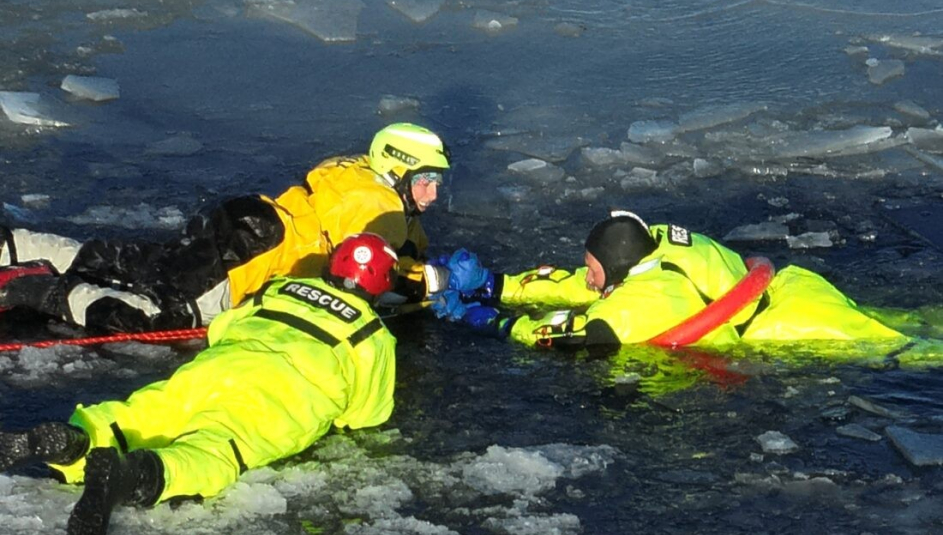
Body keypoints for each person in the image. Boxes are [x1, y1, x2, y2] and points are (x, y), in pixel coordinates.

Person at [0, 233, 401, 535]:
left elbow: (222, 328)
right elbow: (365, 413)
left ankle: (75, 441)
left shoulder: (281, 288)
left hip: (217, 368)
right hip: (275, 401)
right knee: (213, 453)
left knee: (145, 413)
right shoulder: (371, 334)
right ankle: (133, 475)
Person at [0, 123, 468, 333]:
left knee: (140, 264)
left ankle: (12, 244)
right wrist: (440, 282)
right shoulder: (376, 201)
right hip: (251, 260)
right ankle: (31, 291)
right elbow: (368, 272)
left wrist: (426, 269)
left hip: (250, 224)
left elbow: (402, 248)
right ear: (399, 169)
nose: (432, 194)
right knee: (155, 314)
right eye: (426, 180)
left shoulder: (361, 178)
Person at [433, 211, 909, 353]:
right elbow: (586, 283)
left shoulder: (647, 298)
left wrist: (493, 322)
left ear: (618, 269)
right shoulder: (655, 241)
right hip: (793, 287)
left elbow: (583, 330)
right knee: (916, 323)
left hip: (794, 326)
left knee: (912, 351)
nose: (589, 275)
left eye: (595, 267)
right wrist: (500, 285)